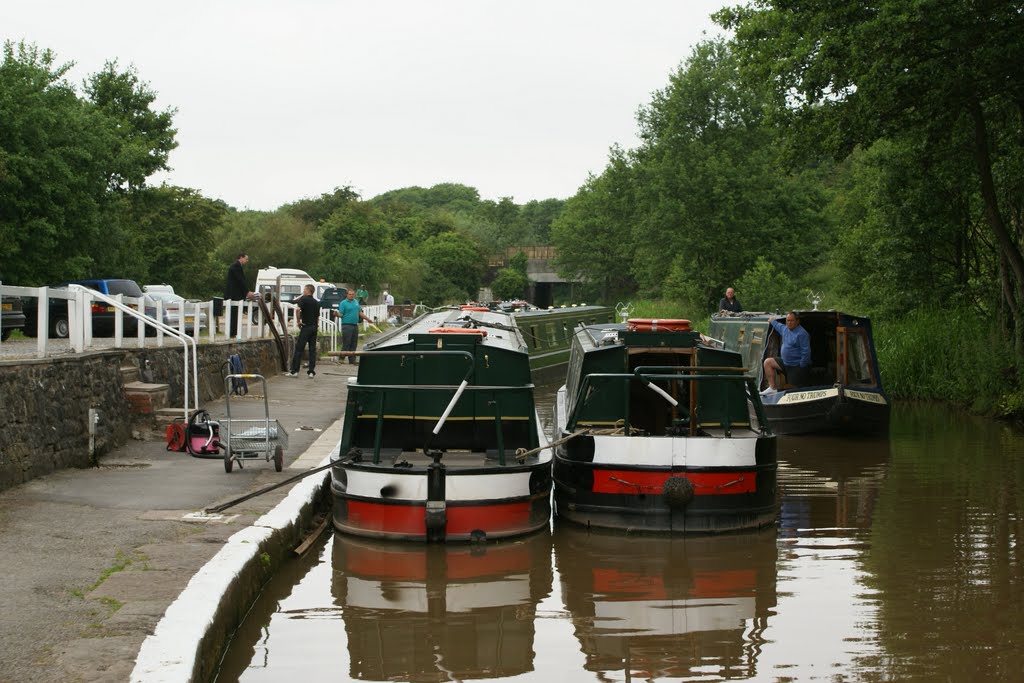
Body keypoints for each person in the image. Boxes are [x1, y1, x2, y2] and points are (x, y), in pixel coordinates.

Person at [762, 311, 811, 394]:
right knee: (768, 362)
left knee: (793, 390)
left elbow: (806, 351)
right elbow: (778, 325)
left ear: (797, 321)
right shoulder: (785, 329)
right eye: (787, 320)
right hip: (784, 363)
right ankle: (772, 388)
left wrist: (801, 366)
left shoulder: (802, 334)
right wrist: (772, 321)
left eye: (792, 320)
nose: (789, 323)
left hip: (796, 366)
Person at [288, 284, 320, 378]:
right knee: (312, 350)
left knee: (299, 349)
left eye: (304, 289)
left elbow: (297, 310)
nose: (303, 291)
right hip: (314, 328)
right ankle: (311, 372)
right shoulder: (316, 302)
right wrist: (316, 326)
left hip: (306, 327)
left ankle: (294, 371)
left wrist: (298, 321)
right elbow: (317, 316)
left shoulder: (303, 299)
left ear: (307, 290)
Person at [337, 287, 373, 364]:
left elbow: (360, 312)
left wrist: (367, 319)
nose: (351, 296)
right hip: (347, 325)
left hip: (354, 325)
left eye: (353, 294)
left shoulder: (356, 302)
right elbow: (340, 314)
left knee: (354, 343)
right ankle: (341, 358)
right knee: (346, 342)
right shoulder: (343, 303)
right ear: (347, 295)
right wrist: (336, 314)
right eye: (350, 294)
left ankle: (352, 359)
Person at [224, 252, 252, 337]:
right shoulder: (236, 267)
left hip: (235, 294)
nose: (246, 261)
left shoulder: (237, 266)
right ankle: (232, 332)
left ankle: (233, 332)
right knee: (234, 314)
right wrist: (247, 292)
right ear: (241, 257)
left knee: (235, 314)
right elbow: (240, 281)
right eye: (246, 259)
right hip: (234, 295)